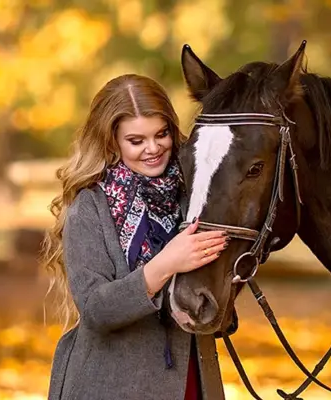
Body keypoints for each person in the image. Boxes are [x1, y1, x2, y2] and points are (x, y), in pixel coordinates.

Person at [43, 74, 230, 400]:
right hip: (111, 385)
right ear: (111, 140)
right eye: (136, 140)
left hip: (193, 381)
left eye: (162, 134)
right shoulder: (89, 207)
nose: (153, 148)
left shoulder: (194, 196)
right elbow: (96, 310)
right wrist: (167, 263)